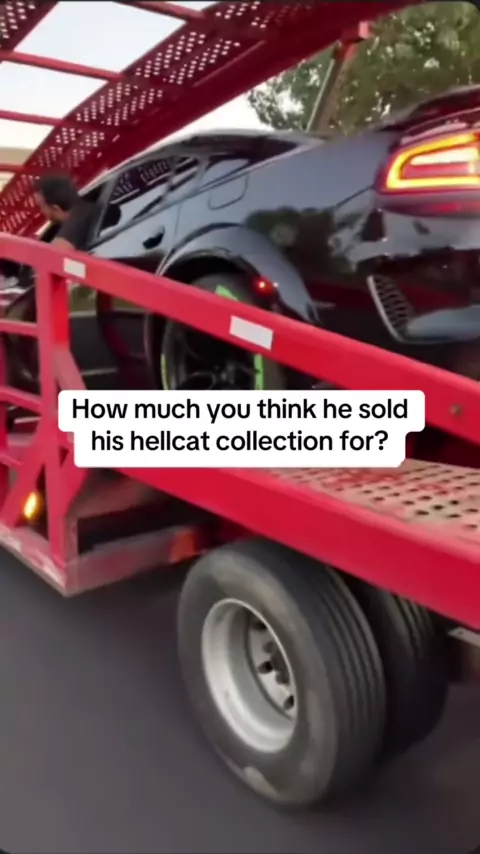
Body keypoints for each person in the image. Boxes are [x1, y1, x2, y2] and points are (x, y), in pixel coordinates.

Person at [33, 172, 97, 252]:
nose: (42, 211)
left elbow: (56, 254)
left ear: (55, 208)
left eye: (42, 206)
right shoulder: (91, 207)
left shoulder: (73, 225)